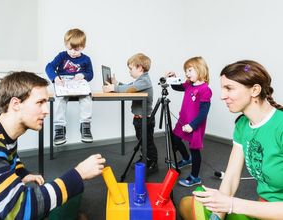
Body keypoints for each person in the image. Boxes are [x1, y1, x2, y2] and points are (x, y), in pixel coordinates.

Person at [0, 71, 106, 219]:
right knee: (71, 186)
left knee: (72, 194)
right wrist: (79, 173)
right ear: (16, 104)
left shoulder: (2, 131)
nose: (46, 111)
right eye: (40, 102)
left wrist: (22, 173)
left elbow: (11, 159)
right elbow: (21, 210)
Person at [179, 60, 283, 220]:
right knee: (187, 203)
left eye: (229, 88)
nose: (222, 96)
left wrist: (231, 204)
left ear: (255, 90)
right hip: (262, 209)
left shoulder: (280, 126)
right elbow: (231, 177)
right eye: (222, 88)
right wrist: (218, 215)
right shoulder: (242, 125)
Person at [102, 53, 158, 174]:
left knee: (147, 142)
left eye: (131, 68)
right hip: (138, 118)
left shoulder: (144, 81)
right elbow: (130, 86)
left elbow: (129, 89)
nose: (129, 71)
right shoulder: (139, 80)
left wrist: (114, 88)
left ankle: (152, 162)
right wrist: (117, 84)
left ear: (140, 68)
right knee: (141, 140)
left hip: (145, 119)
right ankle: (145, 158)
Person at [166, 56, 212, 187]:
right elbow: (177, 87)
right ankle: (186, 159)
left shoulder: (205, 90)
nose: (187, 73)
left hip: (195, 125)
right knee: (175, 139)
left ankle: (195, 177)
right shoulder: (188, 84)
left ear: (200, 70)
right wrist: (173, 78)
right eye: (186, 71)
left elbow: (204, 111)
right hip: (183, 121)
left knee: (195, 149)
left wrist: (192, 126)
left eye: (190, 70)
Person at [46, 28, 94, 145]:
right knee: (59, 99)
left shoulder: (86, 59)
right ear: (65, 45)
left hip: (79, 83)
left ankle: (85, 126)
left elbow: (90, 74)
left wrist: (83, 75)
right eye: (70, 48)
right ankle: (59, 128)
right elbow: (49, 67)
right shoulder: (62, 56)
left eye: (76, 49)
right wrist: (55, 78)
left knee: (87, 98)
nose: (72, 52)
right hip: (64, 82)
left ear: (83, 47)